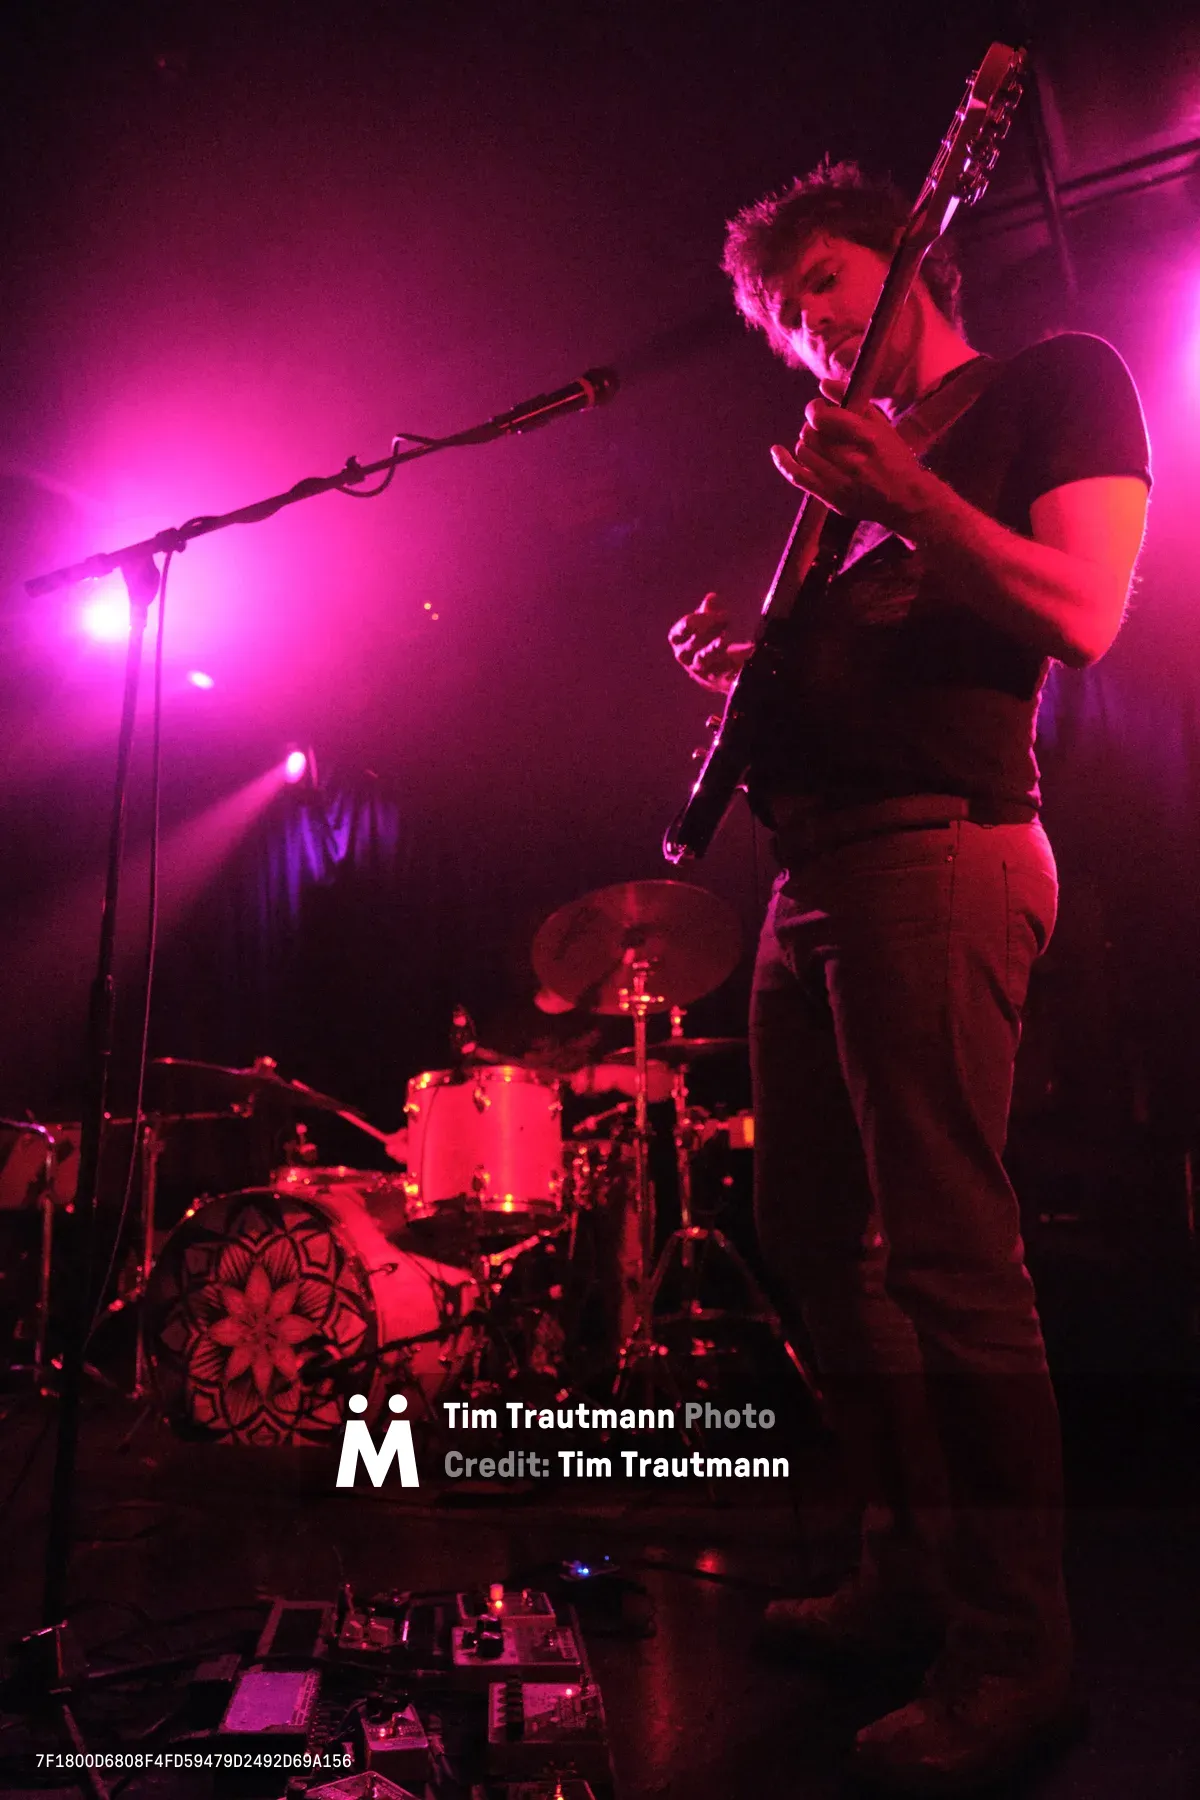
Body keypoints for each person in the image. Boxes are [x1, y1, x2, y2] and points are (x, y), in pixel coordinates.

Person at [668, 161, 1149, 1794]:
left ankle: (1018, 1658)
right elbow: (900, 640)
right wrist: (768, 663)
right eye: (779, 314)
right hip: (812, 875)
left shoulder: (1052, 383)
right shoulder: (852, 489)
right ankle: (908, 1576)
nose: (804, 326)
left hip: (940, 849)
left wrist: (911, 498)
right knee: (820, 1249)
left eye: (821, 280)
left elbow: (1082, 613)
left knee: (950, 1263)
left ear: (914, 257)